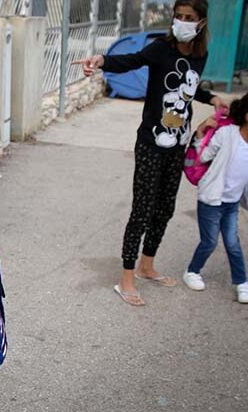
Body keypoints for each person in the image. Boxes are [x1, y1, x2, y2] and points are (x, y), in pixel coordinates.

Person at [73, 0, 226, 306]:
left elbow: (190, 87)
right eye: (178, 16)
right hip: (151, 143)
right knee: (142, 209)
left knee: (165, 207)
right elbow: (130, 60)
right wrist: (101, 60)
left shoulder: (199, 54)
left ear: (201, 23)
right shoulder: (160, 48)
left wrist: (212, 99)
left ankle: (147, 265)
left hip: (178, 143)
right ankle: (126, 277)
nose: (182, 22)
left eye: (189, 17)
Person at [182, 94, 248, 303]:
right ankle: (192, 271)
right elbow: (203, 156)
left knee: (232, 243)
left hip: (232, 202)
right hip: (211, 199)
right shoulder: (228, 134)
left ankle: (241, 282)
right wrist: (201, 133)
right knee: (209, 241)